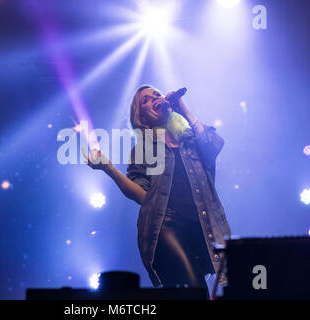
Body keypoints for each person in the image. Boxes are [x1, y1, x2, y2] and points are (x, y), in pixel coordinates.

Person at [82, 85, 231, 292]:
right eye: (146, 100)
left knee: (213, 291)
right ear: (142, 118)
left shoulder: (190, 138)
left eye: (157, 95)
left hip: (203, 225)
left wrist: (182, 109)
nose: (154, 99)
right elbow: (143, 196)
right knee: (195, 292)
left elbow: (213, 145)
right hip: (165, 225)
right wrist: (108, 169)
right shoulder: (143, 150)